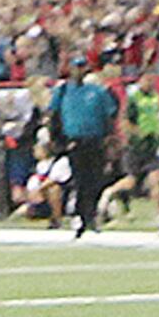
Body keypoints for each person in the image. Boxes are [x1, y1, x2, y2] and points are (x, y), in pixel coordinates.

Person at [53, 59, 119, 237]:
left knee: (95, 180)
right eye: (75, 67)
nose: (78, 71)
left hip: (95, 140)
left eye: (81, 67)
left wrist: (110, 139)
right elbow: (53, 115)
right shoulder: (63, 91)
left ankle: (91, 215)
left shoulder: (97, 91)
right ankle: (82, 216)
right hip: (75, 141)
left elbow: (110, 115)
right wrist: (59, 140)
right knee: (80, 180)